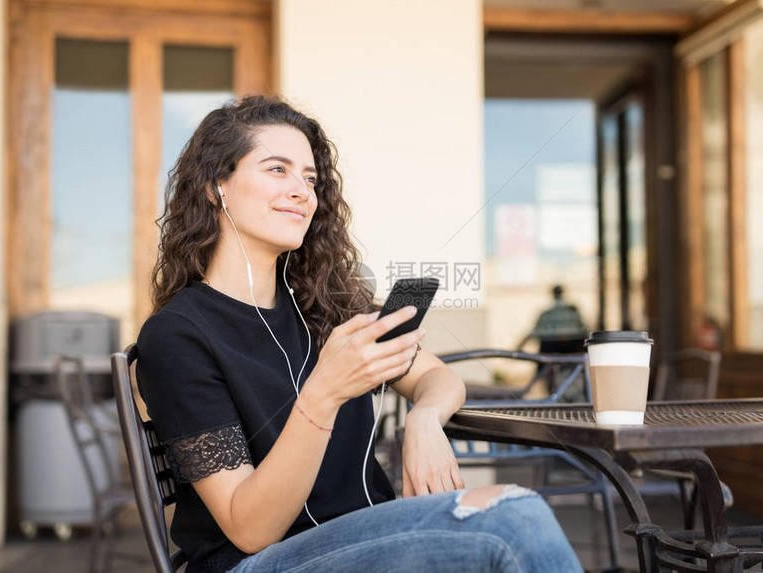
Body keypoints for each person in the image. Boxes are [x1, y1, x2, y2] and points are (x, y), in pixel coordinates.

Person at [136, 95, 582, 573]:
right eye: (277, 170)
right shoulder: (177, 336)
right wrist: (325, 393)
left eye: (310, 178)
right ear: (215, 186)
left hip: (367, 535)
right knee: (512, 520)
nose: (303, 192)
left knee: (514, 511)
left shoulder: (324, 305)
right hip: (258, 563)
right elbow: (249, 529)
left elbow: (438, 378)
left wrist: (425, 420)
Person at [518, 285, 588, 354]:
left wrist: (519, 347)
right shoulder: (550, 313)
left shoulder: (569, 312)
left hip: (569, 347)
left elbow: (585, 330)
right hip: (553, 347)